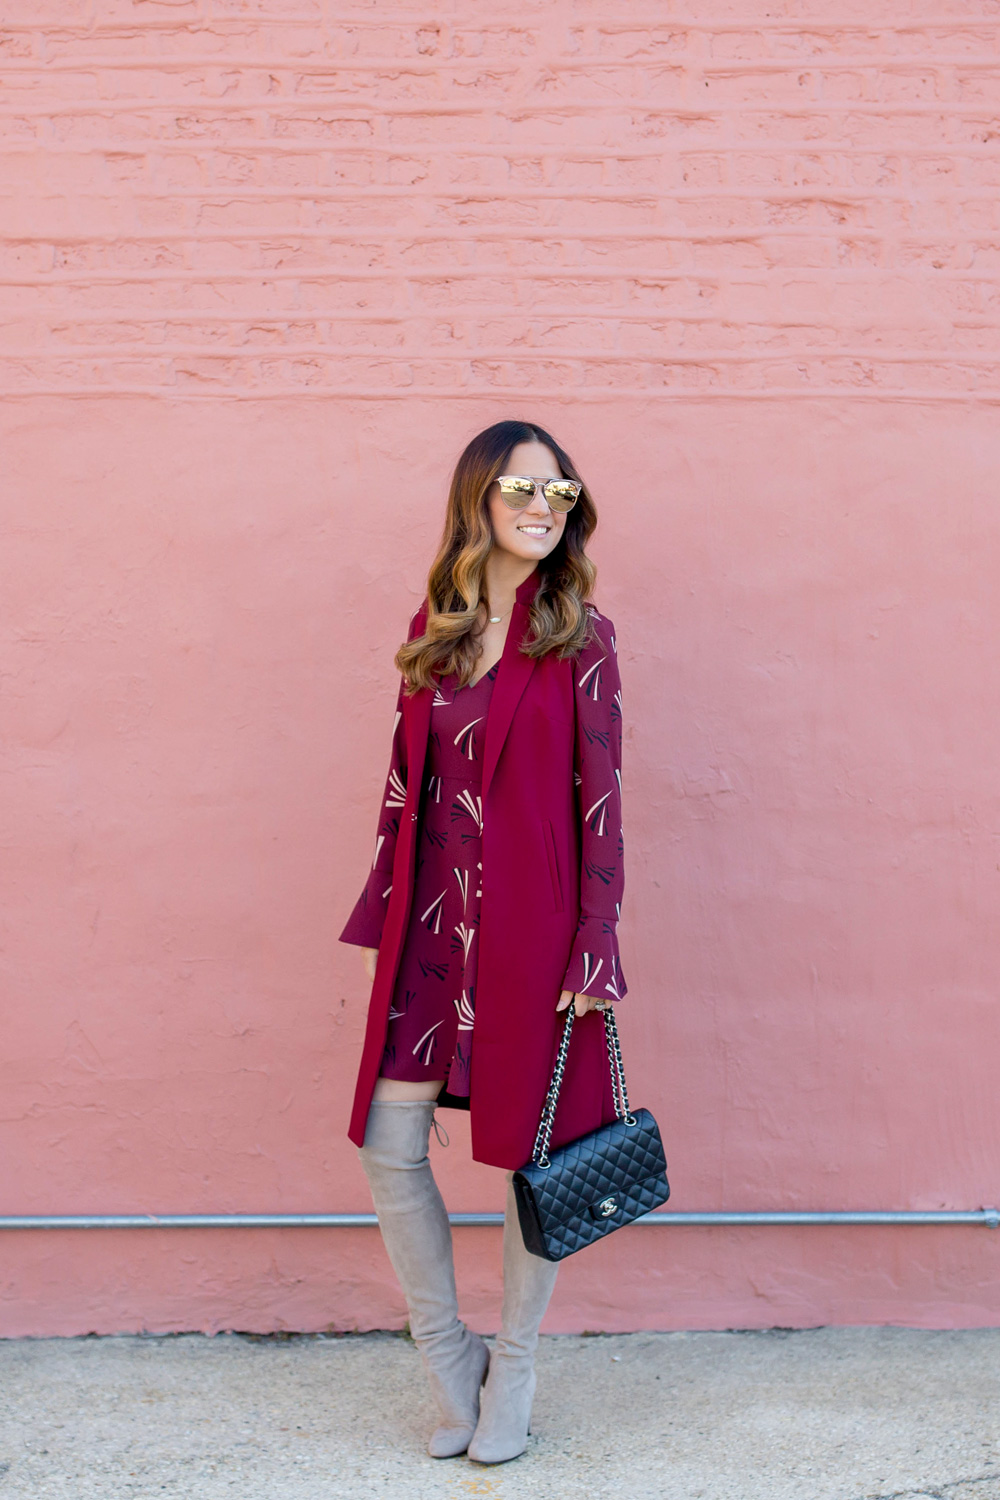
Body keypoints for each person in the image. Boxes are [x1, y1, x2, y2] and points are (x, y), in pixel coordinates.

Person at [338, 419, 627, 1464]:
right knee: (387, 1144)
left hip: (534, 935)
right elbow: (400, 786)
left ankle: (517, 1362)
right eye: (520, 490)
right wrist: (382, 907)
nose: (541, 508)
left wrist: (597, 940)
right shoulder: (439, 625)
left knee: (530, 1154)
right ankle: (447, 1353)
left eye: (559, 493)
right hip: (428, 931)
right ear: (479, 500)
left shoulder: (580, 635)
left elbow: (604, 801)